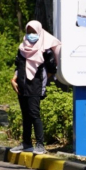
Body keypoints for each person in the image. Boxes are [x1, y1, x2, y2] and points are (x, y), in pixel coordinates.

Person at [10, 20, 62, 155]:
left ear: (39, 32)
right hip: (21, 85)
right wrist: (14, 79)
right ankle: (26, 143)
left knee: (34, 114)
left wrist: (41, 81)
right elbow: (18, 66)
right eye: (29, 32)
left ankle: (40, 145)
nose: (31, 35)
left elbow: (51, 69)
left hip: (35, 86)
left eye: (34, 32)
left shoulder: (45, 50)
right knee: (25, 115)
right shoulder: (22, 47)